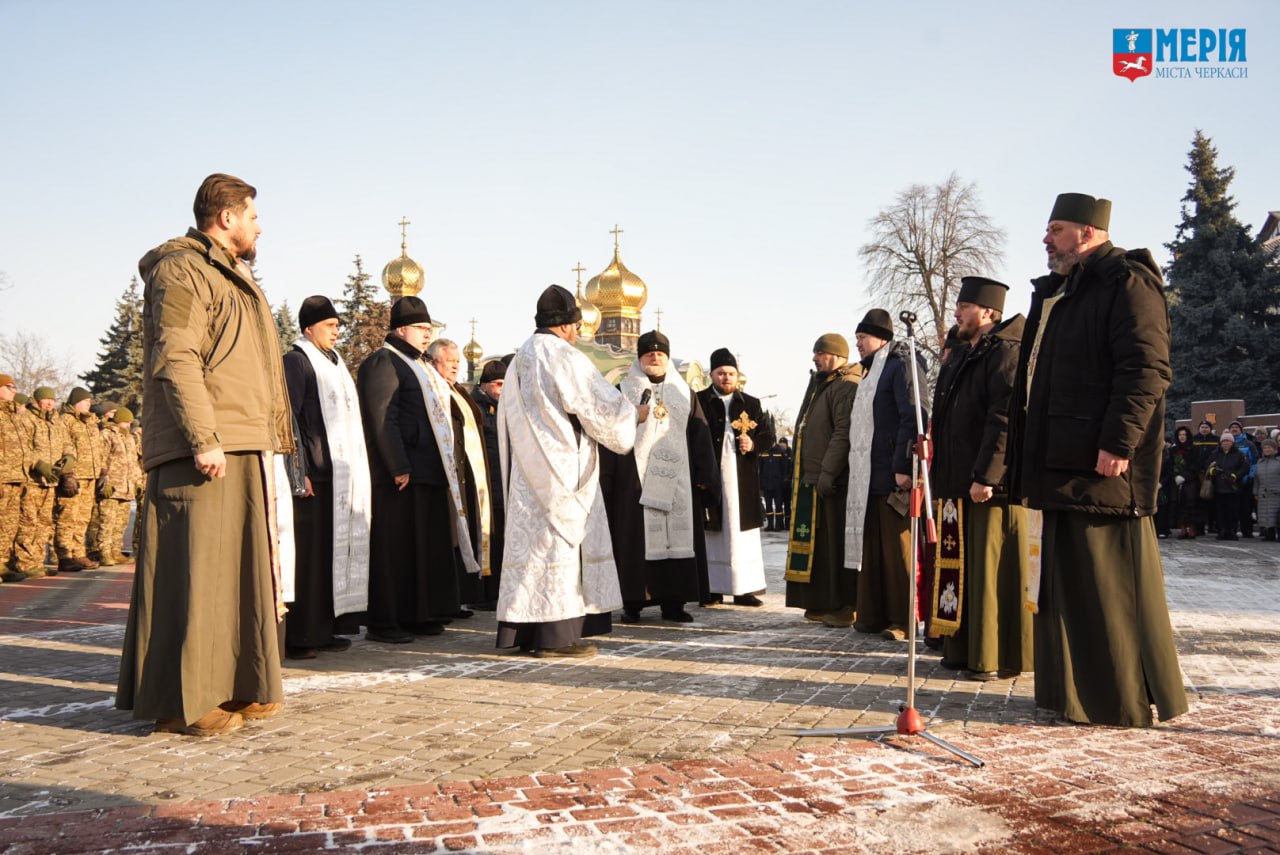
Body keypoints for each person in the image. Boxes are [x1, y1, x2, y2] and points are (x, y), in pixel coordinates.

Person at [117, 172, 295, 737]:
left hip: (240, 440)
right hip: (204, 446)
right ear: (226, 218)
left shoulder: (230, 272)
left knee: (237, 576)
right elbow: (177, 355)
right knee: (193, 575)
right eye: (253, 215)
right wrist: (203, 436)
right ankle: (181, 703)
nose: (259, 225)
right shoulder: (181, 269)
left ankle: (241, 684)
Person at [1010, 191, 1186, 727]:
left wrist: (1119, 442)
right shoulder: (1062, 292)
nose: (1046, 239)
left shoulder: (1126, 282)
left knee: (1106, 585)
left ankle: (1118, 699)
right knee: (1066, 586)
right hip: (1057, 461)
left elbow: (1146, 369)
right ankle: (1073, 696)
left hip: (1098, 463)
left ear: (1088, 232)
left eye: (1056, 229)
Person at [496, 284, 643, 658]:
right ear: (565, 326)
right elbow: (597, 405)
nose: (578, 334)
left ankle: (525, 634)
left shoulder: (519, 359)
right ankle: (557, 638)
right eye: (576, 327)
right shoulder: (564, 356)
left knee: (533, 552)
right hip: (565, 471)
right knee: (559, 550)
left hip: (527, 472)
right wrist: (632, 415)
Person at [928, 277, 1032, 681]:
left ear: (987, 311)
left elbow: (1003, 419)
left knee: (987, 574)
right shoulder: (967, 352)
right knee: (960, 570)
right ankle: (962, 648)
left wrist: (988, 474)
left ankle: (991, 654)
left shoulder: (1005, 352)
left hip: (990, 487)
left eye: (963, 306)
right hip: (957, 480)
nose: (956, 312)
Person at [358, 297, 473, 644]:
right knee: (395, 549)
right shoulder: (384, 362)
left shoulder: (417, 365)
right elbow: (382, 417)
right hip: (402, 474)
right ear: (401, 329)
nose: (427, 335)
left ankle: (417, 613)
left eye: (429, 329)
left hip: (428, 471)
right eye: (422, 329)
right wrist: (398, 464)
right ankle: (385, 620)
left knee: (421, 548)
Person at [600, 330, 718, 624]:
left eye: (660, 353)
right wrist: (608, 480)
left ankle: (674, 604)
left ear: (667, 358)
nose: (655, 357)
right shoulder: (622, 390)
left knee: (678, 539)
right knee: (634, 542)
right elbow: (611, 436)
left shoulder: (684, 394)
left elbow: (700, 434)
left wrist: (707, 476)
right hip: (634, 481)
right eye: (649, 353)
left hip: (679, 481)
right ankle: (633, 602)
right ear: (639, 359)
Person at [281, 295, 371, 660]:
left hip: (339, 479)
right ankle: (301, 634)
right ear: (309, 328)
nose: (337, 332)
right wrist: (298, 473)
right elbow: (289, 420)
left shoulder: (334, 364)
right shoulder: (297, 362)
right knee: (308, 560)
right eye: (331, 326)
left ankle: (327, 626)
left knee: (330, 557)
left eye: (338, 326)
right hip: (313, 480)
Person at [843, 309, 922, 641]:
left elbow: (913, 415)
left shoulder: (901, 365)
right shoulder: (870, 371)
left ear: (883, 338)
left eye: (863, 338)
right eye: (857, 338)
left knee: (897, 552)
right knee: (872, 550)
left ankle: (902, 620)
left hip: (893, 475)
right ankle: (872, 615)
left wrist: (904, 466)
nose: (857, 344)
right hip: (868, 476)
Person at [784, 333, 860, 626]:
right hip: (812, 477)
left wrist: (828, 472)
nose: (814, 358)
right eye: (814, 353)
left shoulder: (846, 385)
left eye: (820, 353)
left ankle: (842, 604)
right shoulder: (822, 383)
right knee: (818, 548)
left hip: (832, 481)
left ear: (837, 356)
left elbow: (843, 432)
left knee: (833, 548)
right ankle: (818, 601)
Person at [697, 349, 775, 607]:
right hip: (712, 476)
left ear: (737, 375)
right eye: (721, 373)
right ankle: (712, 589)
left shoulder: (750, 403)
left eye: (730, 373)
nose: (726, 378)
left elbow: (768, 436)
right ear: (712, 375)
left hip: (742, 479)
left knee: (743, 536)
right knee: (713, 534)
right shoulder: (700, 401)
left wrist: (752, 444)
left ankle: (744, 589)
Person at [427, 337, 493, 617]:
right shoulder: (434, 390)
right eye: (449, 362)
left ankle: (460, 598)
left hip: (467, 475)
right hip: (448, 474)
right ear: (434, 362)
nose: (455, 367)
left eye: (457, 362)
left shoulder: (457, 391)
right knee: (451, 537)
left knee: (465, 536)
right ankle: (447, 602)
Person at [11, 386, 73, 580]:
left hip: (51, 481)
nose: (49, 403)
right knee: (28, 521)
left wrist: (69, 458)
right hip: (33, 479)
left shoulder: (57, 421)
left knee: (45, 522)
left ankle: (37, 561)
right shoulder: (26, 419)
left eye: (52, 400)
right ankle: (25, 562)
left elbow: (67, 443)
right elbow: (21, 447)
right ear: (36, 400)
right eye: (45, 400)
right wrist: (37, 464)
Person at [469, 359, 506, 610]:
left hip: (501, 484)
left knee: (500, 538)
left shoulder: (502, 407)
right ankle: (484, 594)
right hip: (486, 485)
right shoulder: (478, 408)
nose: (502, 389)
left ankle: (496, 590)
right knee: (487, 538)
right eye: (498, 384)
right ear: (484, 385)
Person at [55, 387, 105, 572]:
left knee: (83, 518)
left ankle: (78, 553)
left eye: (90, 402)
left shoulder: (91, 422)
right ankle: (65, 555)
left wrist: (103, 472)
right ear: (75, 402)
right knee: (68, 517)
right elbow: (62, 447)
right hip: (74, 476)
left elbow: (99, 448)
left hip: (90, 475)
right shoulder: (65, 421)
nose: (88, 404)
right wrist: (67, 474)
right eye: (85, 401)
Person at [93, 407, 141, 566]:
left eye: (130, 423)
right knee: (107, 521)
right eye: (125, 422)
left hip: (126, 488)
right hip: (112, 487)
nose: (128, 425)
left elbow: (133, 463)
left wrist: (137, 482)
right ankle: (104, 552)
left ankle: (115, 550)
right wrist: (104, 481)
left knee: (121, 522)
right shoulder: (107, 435)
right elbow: (101, 459)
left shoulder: (128, 438)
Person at [0, 374, 28, 582]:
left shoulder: (14, 416)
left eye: (14, 387)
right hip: (3, 476)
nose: (13, 390)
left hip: (15, 477)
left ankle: (2, 563)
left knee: (9, 525)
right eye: (9, 387)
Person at [1207, 431, 1249, 540]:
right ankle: (1222, 530)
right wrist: (1212, 471)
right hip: (1218, 487)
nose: (1225, 443)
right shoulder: (1215, 453)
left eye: (1228, 441)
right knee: (1220, 512)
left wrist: (1236, 476)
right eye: (1223, 441)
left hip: (1233, 487)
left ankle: (1232, 531)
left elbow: (1245, 468)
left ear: (1232, 442)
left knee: (1233, 511)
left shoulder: (1239, 454)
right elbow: (1207, 464)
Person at [1167, 426, 1202, 539]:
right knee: (1179, 505)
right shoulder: (1174, 449)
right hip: (1176, 481)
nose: (1182, 437)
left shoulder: (1194, 449)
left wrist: (1185, 476)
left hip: (1190, 481)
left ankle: (1191, 528)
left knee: (1191, 505)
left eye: (1184, 435)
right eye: (1180, 435)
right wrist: (1175, 476)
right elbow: (1170, 465)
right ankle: (1182, 528)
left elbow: (1196, 465)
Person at [758, 437, 791, 532]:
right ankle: (770, 525)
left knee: (778, 506)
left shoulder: (780, 452)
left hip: (778, 485)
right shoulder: (763, 452)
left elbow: (784, 469)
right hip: (767, 484)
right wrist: (761, 483)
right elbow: (760, 468)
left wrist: (783, 482)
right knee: (768, 506)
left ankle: (778, 525)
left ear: (773, 441)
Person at [1254, 438, 1280, 541]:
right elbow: (1256, 479)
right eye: (1265, 447)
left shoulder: (1278, 462)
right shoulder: (1260, 462)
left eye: (1269, 447)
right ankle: (1270, 534)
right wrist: (1255, 492)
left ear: (1274, 449)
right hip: (1263, 494)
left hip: (1277, 493)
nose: (1267, 449)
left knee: (1276, 515)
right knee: (1266, 515)